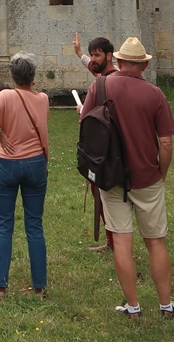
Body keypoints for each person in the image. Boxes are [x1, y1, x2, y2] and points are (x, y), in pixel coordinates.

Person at [81, 37, 174, 319]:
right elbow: (166, 143)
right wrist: (161, 173)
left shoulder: (98, 86)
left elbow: (86, 126)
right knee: (156, 242)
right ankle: (165, 306)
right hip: (147, 176)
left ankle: (133, 307)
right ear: (145, 65)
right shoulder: (155, 94)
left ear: (119, 61)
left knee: (123, 243)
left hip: (111, 177)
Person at [0, 52, 49, 297]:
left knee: (4, 224)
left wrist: (0, 133)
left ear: (12, 76)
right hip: (35, 163)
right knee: (34, 225)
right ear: (33, 76)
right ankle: (39, 288)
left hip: (7, 164)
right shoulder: (43, 99)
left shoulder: (6, 96)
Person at [73, 32, 118, 252]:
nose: (93, 59)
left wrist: (84, 111)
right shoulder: (102, 75)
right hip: (101, 146)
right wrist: (80, 53)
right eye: (92, 55)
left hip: (109, 147)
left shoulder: (115, 80)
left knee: (109, 196)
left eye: (97, 55)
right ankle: (112, 240)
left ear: (109, 56)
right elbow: (93, 67)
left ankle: (116, 240)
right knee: (100, 193)